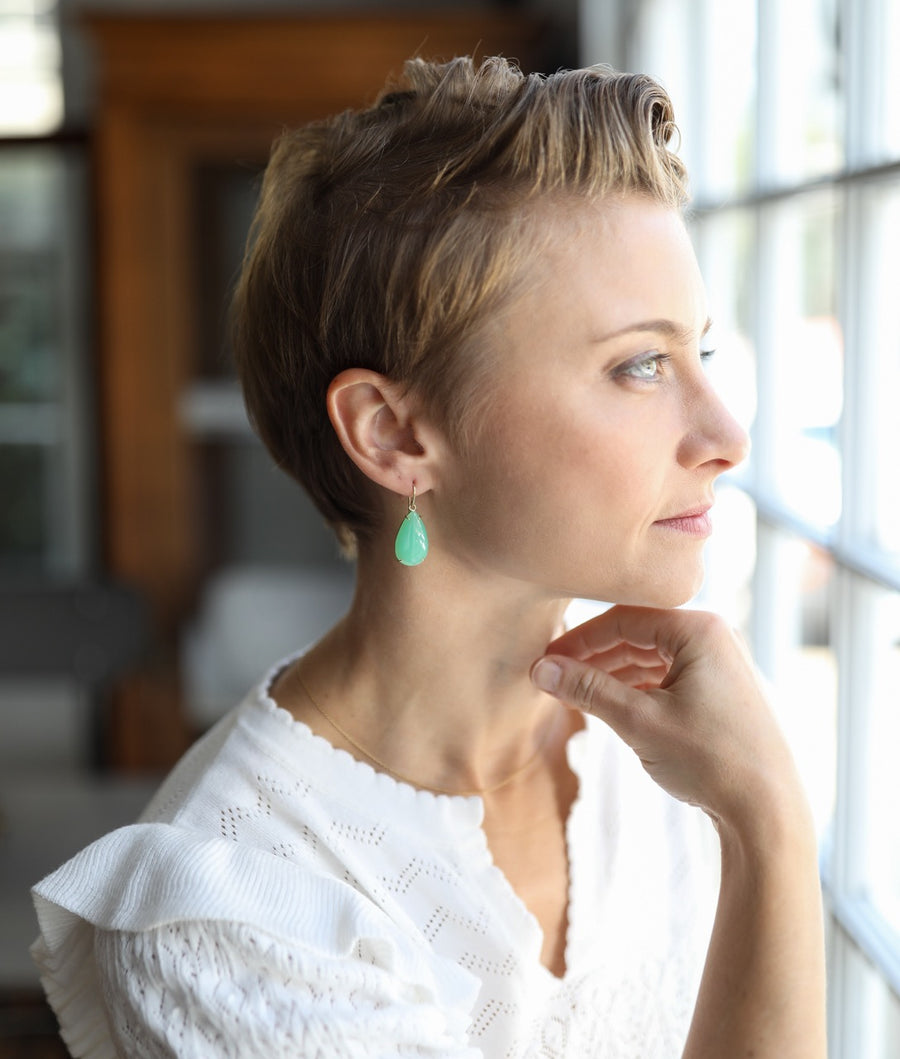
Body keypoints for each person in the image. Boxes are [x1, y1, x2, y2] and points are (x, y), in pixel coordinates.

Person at [31, 56, 826, 1058]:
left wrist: (757, 808)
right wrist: (771, 828)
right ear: (396, 436)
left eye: (697, 354)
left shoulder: (666, 749)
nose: (725, 432)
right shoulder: (230, 913)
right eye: (637, 364)